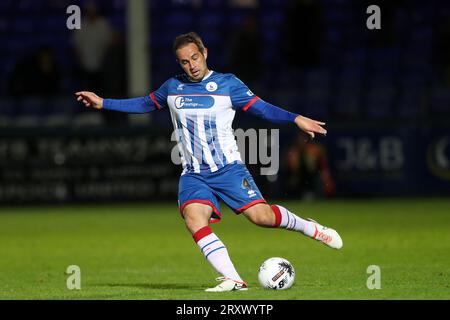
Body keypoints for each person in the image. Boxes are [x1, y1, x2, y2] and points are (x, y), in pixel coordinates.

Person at [75, 32, 343, 292]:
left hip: (228, 169)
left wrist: (295, 118)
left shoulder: (228, 84)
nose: (191, 66)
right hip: (193, 173)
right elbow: (145, 103)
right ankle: (234, 280)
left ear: (204, 53)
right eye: (184, 61)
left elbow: (261, 108)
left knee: (261, 217)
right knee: (194, 219)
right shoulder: (172, 87)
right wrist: (104, 103)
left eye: (195, 57)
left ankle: (311, 228)